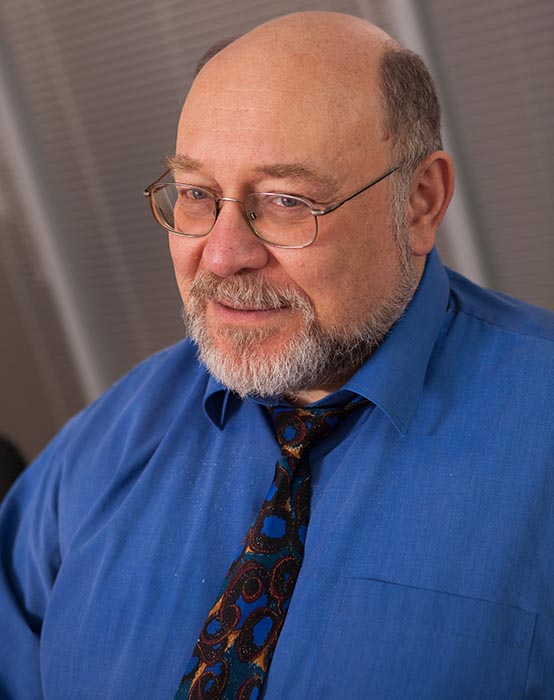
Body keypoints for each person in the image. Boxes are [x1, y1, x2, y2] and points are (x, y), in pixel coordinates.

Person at [1, 11, 553, 700]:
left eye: (287, 201)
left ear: (419, 202)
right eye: (196, 195)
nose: (223, 256)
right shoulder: (104, 447)